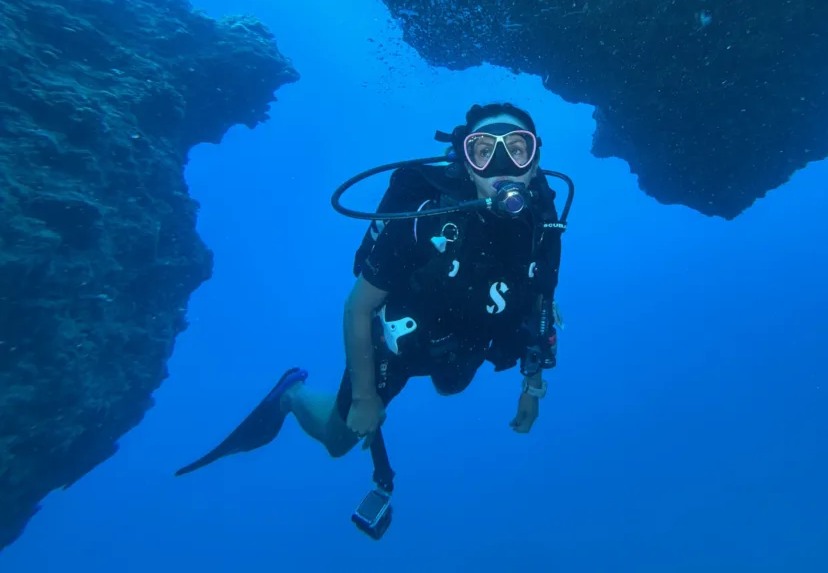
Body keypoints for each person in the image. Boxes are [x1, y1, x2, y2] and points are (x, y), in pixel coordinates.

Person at [174, 103, 569, 518]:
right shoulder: (422, 220)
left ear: (535, 162)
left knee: (451, 386)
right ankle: (293, 394)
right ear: (467, 167)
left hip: (465, 334)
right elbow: (357, 307)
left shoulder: (543, 224)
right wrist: (364, 397)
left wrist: (532, 389)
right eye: (484, 151)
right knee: (337, 441)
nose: (502, 166)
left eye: (517, 149)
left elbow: (542, 299)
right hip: (395, 344)